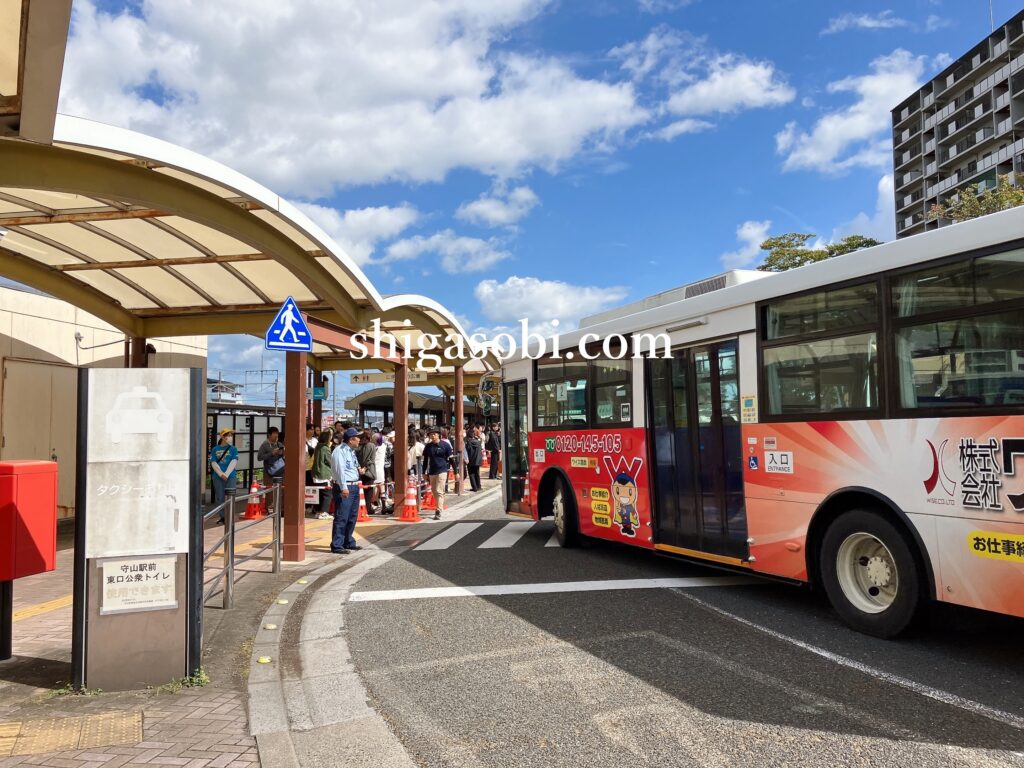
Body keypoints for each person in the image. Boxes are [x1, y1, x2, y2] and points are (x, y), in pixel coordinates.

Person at [330, 428, 362, 554]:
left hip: (354, 485)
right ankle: (337, 544)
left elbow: (352, 466)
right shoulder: (339, 451)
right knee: (342, 516)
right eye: (357, 437)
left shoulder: (351, 451)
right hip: (345, 486)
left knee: (352, 516)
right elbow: (340, 470)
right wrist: (343, 487)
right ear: (351, 440)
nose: (359, 440)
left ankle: (348, 541)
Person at [422, 429, 453, 520]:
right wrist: (424, 472)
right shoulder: (428, 446)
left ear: (439, 435)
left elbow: (451, 459)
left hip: (442, 470)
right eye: (431, 435)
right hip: (432, 471)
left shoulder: (445, 445)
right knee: (434, 491)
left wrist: (456, 472)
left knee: (439, 491)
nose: (433, 436)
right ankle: (439, 506)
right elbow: (425, 460)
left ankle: (438, 510)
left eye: (434, 434)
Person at [209, 428, 238, 523]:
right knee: (220, 497)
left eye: (231, 435)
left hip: (231, 476)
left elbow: (234, 461)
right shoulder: (215, 449)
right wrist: (221, 474)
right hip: (218, 477)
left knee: (230, 496)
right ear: (223, 437)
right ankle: (223, 517)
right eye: (228, 435)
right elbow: (213, 462)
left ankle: (229, 516)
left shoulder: (233, 449)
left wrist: (226, 474)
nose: (230, 437)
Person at [312, 429, 334, 519]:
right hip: (324, 473)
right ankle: (324, 512)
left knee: (319, 494)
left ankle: (318, 511)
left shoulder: (318, 446)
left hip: (316, 473)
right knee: (327, 494)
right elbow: (330, 461)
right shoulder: (325, 448)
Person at [356, 429, 377, 513]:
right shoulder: (371, 445)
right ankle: (367, 509)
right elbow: (371, 459)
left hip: (361, 471)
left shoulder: (360, 447)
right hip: (369, 471)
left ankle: (363, 509)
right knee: (368, 493)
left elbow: (361, 459)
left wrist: (361, 468)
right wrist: (364, 468)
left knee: (362, 492)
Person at [372, 432, 387, 513]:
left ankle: (376, 505)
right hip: (381, 470)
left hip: (374, 470)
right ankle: (383, 505)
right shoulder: (384, 447)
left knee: (374, 488)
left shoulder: (373, 447)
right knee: (382, 488)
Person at [465, 425, 483, 492]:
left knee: (471, 474)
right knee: (477, 473)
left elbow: (467, 451)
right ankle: (479, 486)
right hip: (478, 460)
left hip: (471, 460)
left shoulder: (468, 443)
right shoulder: (478, 442)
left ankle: (474, 487)